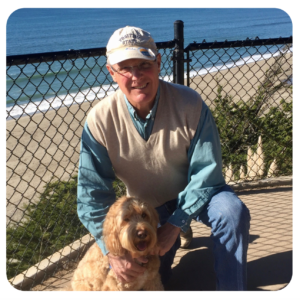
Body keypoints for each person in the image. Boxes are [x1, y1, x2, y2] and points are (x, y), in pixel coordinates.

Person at [77, 26, 250, 290]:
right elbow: (91, 195)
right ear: (111, 73)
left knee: (231, 212)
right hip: (149, 210)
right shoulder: (99, 121)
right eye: (125, 67)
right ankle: (179, 233)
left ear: (158, 63)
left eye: (144, 64)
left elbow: (207, 172)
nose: (136, 76)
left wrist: (176, 223)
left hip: (198, 195)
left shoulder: (190, 104)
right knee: (158, 279)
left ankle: (232, 290)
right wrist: (112, 251)